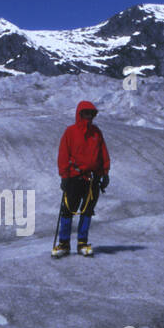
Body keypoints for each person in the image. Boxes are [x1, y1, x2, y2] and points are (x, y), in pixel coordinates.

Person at [53, 100, 110, 257]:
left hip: (92, 179)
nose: (89, 116)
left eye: (91, 114)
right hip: (74, 177)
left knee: (87, 211)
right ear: (80, 114)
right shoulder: (70, 132)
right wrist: (64, 176)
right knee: (67, 210)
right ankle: (63, 244)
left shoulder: (96, 133)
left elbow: (103, 153)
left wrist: (105, 173)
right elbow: (64, 154)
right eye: (86, 113)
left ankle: (82, 243)